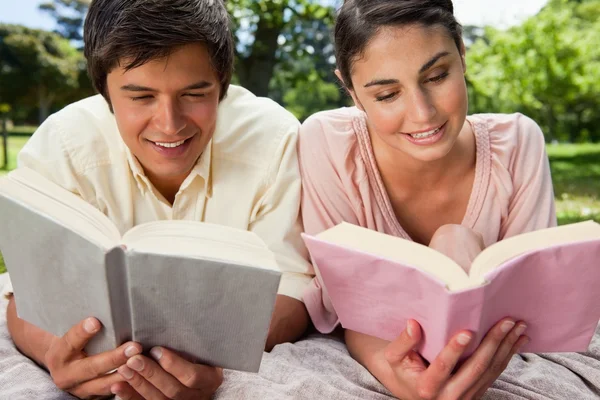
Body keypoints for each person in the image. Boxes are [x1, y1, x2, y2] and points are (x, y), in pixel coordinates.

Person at [5, 0, 313, 398]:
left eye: (194, 93)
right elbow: (24, 297)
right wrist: (58, 354)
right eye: (140, 97)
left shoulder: (274, 140)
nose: (170, 123)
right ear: (105, 92)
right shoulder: (63, 146)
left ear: (222, 85)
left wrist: (207, 355)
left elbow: (293, 290)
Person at [298, 0, 556, 399]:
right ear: (350, 90)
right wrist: (400, 376)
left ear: (462, 54)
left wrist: (462, 247)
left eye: (436, 76)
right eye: (386, 95)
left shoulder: (519, 143)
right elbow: (349, 308)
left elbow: (533, 305)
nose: (422, 114)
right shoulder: (328, 144)